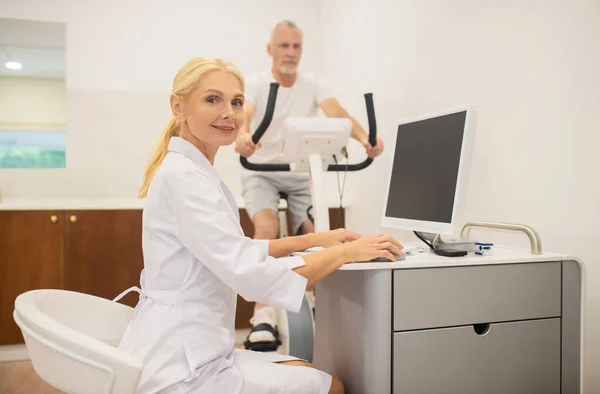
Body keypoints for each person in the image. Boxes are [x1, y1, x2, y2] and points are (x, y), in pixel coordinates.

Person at [116, 56, 403, 394]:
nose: (229, 113)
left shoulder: (194, 172)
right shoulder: (185, 179)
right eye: (213, 100)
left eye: (236, 102)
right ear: (178, 106)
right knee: (333, 387)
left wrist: (318, 240)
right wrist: (347, 254)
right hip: (181, 365)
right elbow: (250, 275)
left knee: (303, 366)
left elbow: (235, 250)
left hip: (193, 344)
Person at [234, 20, 385, 352]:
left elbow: (337, 112)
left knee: (318, 230)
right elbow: (246, 112)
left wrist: (365, 139)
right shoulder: (257, 84)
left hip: (301, 168)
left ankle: (319, 300)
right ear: (269, 49)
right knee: (267, 225)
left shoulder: (313, 84)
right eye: (284, 45)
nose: (290, 53)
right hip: (261, 169)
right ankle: (264, 316)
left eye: (296, 46)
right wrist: (243, 136)